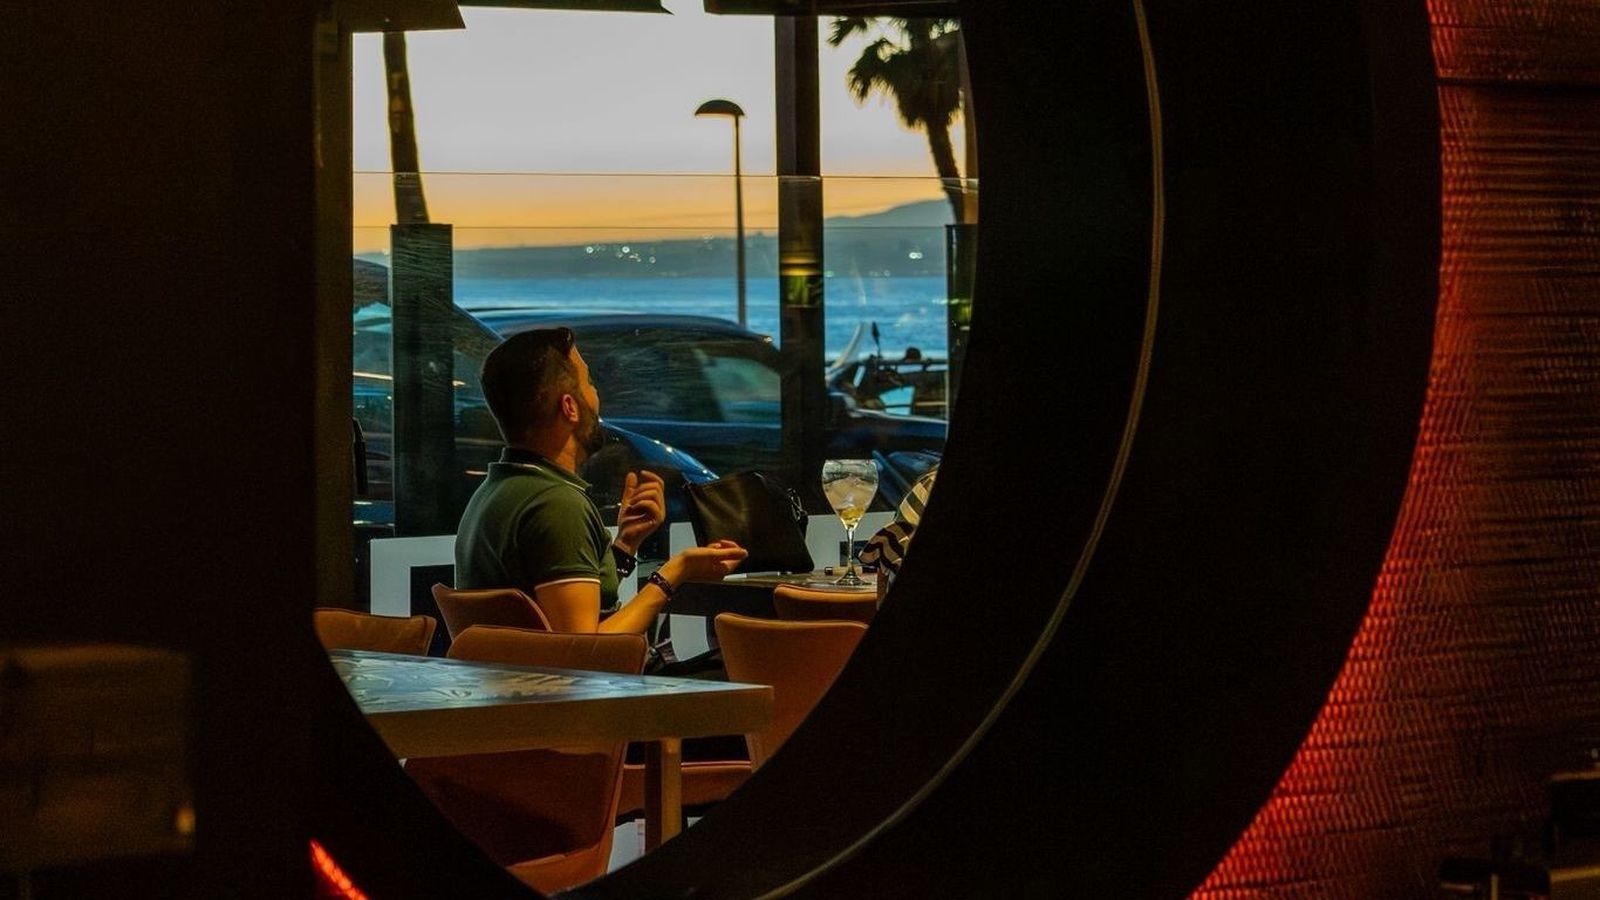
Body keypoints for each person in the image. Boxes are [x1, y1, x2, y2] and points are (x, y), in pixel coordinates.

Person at [454, 326, 747, 634]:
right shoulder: (556, 505)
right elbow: (583, 651)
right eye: (590, 383)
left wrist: (625, 545)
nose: (597, 397)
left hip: (514, 680)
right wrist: (674, 573)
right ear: (569, 407)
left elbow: (563, 612)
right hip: (566, 681)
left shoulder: (495, 492)